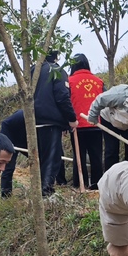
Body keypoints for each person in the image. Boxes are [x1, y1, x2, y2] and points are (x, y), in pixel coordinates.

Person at [33, 51, 78, 195]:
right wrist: (71, 119)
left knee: (42, 157)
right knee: (52, 158)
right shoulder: (57, 70)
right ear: (56, 56)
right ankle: (46, 192)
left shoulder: (33, 70)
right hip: (50, 120)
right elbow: (62, 97)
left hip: (33, 120)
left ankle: (40, 189)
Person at [68, 54, 104, 190]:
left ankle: (79, 185)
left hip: (78, 125)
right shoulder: (98, 81)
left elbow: (66, 102)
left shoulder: (69, 81)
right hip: (96, 124)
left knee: (79, 156)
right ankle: (97, 185)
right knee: (96, 156)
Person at [0, 110, 27, 199]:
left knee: (41, 159)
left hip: (24, 137)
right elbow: (5, 123)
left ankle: (60, 183)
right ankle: (6, 195)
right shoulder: (23, 114)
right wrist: (6, 144)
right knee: (8, 166)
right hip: (9, 135)